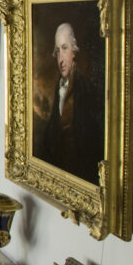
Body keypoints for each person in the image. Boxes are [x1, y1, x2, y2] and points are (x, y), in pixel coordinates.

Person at [39, 22, 103, 181]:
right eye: (57, 51)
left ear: (74, 51)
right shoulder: (59, 85)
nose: (60, 59)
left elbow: (89, 141)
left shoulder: (85, 88)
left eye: (65, 48)